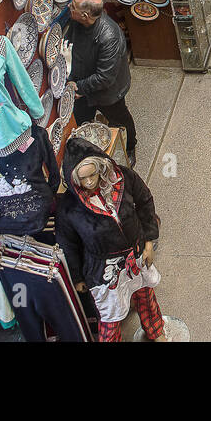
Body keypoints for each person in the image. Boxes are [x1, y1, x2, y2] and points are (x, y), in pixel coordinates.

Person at [56, 138, 165, 343]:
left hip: (136, 255)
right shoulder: (69, 207)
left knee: (145, 295)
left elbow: (145, 202)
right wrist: (78, 277)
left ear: (100, 167)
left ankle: (156, 331)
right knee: (109, 317)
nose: (89, 182)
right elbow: (68, 244)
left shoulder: (123, 178)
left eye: (92, 175)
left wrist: (148, 241)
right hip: (103, 269)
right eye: (83, 178)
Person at [66, 0, 138, 165]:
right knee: (82, 120)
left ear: (85, 15)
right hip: (82, 82)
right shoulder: (76, 22)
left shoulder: (109, 36)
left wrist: (79, 88)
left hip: (108, 92)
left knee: (120, 119)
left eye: (72, 6)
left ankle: (130, 145)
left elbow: (105, 77)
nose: (69, 7)